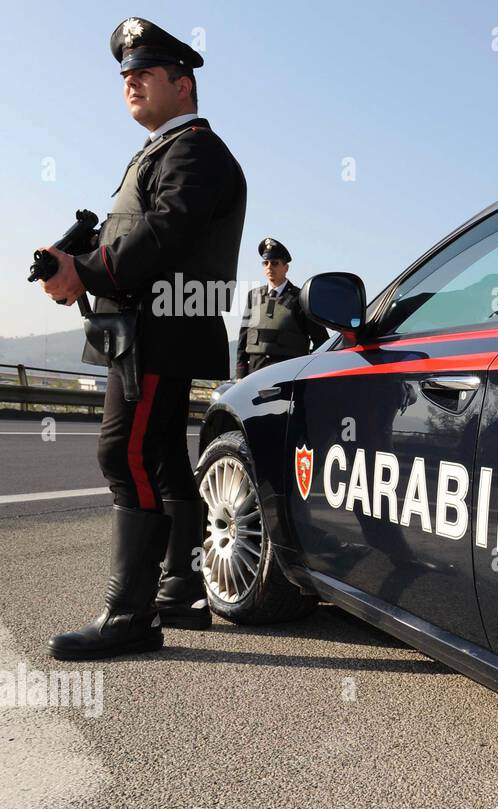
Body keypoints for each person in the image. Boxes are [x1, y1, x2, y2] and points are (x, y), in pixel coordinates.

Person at [38, 17, 247, 659]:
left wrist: (86, 271)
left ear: (184, 86)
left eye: (145, 72)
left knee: (122, 455)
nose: (131, 81)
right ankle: (179, 589)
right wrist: (79, 261)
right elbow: (141, 231)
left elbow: (163, 237)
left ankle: (129, 617)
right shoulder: (162, 150)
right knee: (157, 456)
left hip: (159, 328)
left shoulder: (195, 151)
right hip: (148, 329)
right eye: (125, 73)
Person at [236, 238, 327, 379]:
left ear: (286, 267)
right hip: (254, 374)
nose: (269, 267)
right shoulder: (253, 296)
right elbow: (243, 340)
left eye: (274, 263)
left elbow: (321, 340)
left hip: (287, 376)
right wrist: (240, 374)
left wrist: (307, 372)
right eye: (265, 263)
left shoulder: (301, 299)